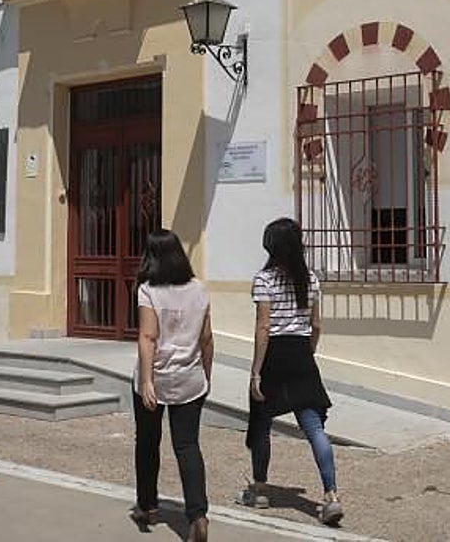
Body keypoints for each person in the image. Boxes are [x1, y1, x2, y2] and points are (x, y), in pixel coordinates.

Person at [237, 217, 343, 526]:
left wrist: (256, 372)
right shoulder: (310, 279)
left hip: (274, 355)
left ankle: (259, 489)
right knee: (314, 428)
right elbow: (318, 324)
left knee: (261, 422)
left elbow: (263, 326)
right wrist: (308, 352)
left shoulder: (264, 279)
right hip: (300, 352)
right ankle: (331, 495)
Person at [130, 229, 214, 542]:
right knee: (188, 445)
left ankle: (148, 506)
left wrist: (148, 380)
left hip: (157, 376)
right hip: (190, 378)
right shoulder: (199, 290)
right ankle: (198, 514)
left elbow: (148, 336)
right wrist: (207, 374)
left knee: (148, 442)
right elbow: (206, 338)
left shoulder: (149, 290)